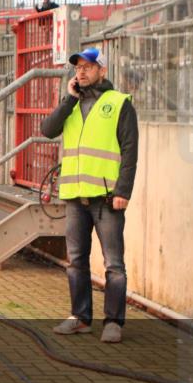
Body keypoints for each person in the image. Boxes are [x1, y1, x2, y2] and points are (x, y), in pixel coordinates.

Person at [40, 47, 138, 344]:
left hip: (107, 198)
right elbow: (47, 130)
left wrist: (123, 191)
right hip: (75, 197)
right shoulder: (71, 104)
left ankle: (113, 322)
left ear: (102, 71)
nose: (81, 72)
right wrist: (69, 98)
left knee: (113, 264)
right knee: (76, 261)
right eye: (78, 67)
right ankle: (81, 318)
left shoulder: (119, 103)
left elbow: (130, 150)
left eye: (88, 67)